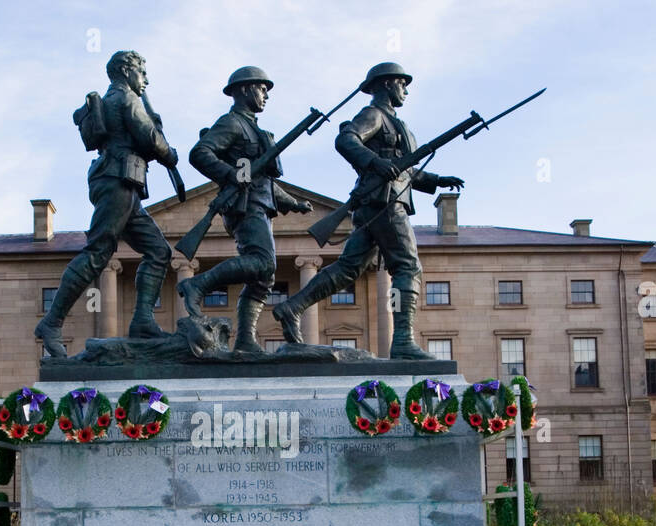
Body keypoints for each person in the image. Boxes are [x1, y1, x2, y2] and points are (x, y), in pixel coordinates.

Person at [270, 62, 464, 357]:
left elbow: (404, 169)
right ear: (386, 84)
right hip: (385, 204)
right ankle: (402, 341)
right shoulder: (374, 115)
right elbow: (345, 140)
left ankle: (291, 306)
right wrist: (375, 163)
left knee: (349, 268)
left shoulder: (399, 125)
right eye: (401, 83)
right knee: (407, 267)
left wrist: (436, 181)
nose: (406, 90)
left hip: (379, 203)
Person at [34, 51, 179, 358]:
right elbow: (150, 138)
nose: (146, 79)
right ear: (127, 71)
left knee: (159, 251)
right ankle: (52, 322)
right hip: (118, 182)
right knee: (99, 252)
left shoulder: (118, 99)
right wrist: (170, 153)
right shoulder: (126, 99)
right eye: (142, 71)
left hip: (123, 185)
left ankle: (142, 320)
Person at [180, 67, 312, 352]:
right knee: (263, 263)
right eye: (261, 89)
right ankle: (198, 284)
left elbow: (262, 177)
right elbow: (199, 153)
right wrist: (231, 174)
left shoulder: (254, 128)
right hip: (244, 204)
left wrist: (293, 203)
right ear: (243, 90)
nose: (266, 95)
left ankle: (245, 339)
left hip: (260, 203)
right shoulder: (232, 123)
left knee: (264, 278)